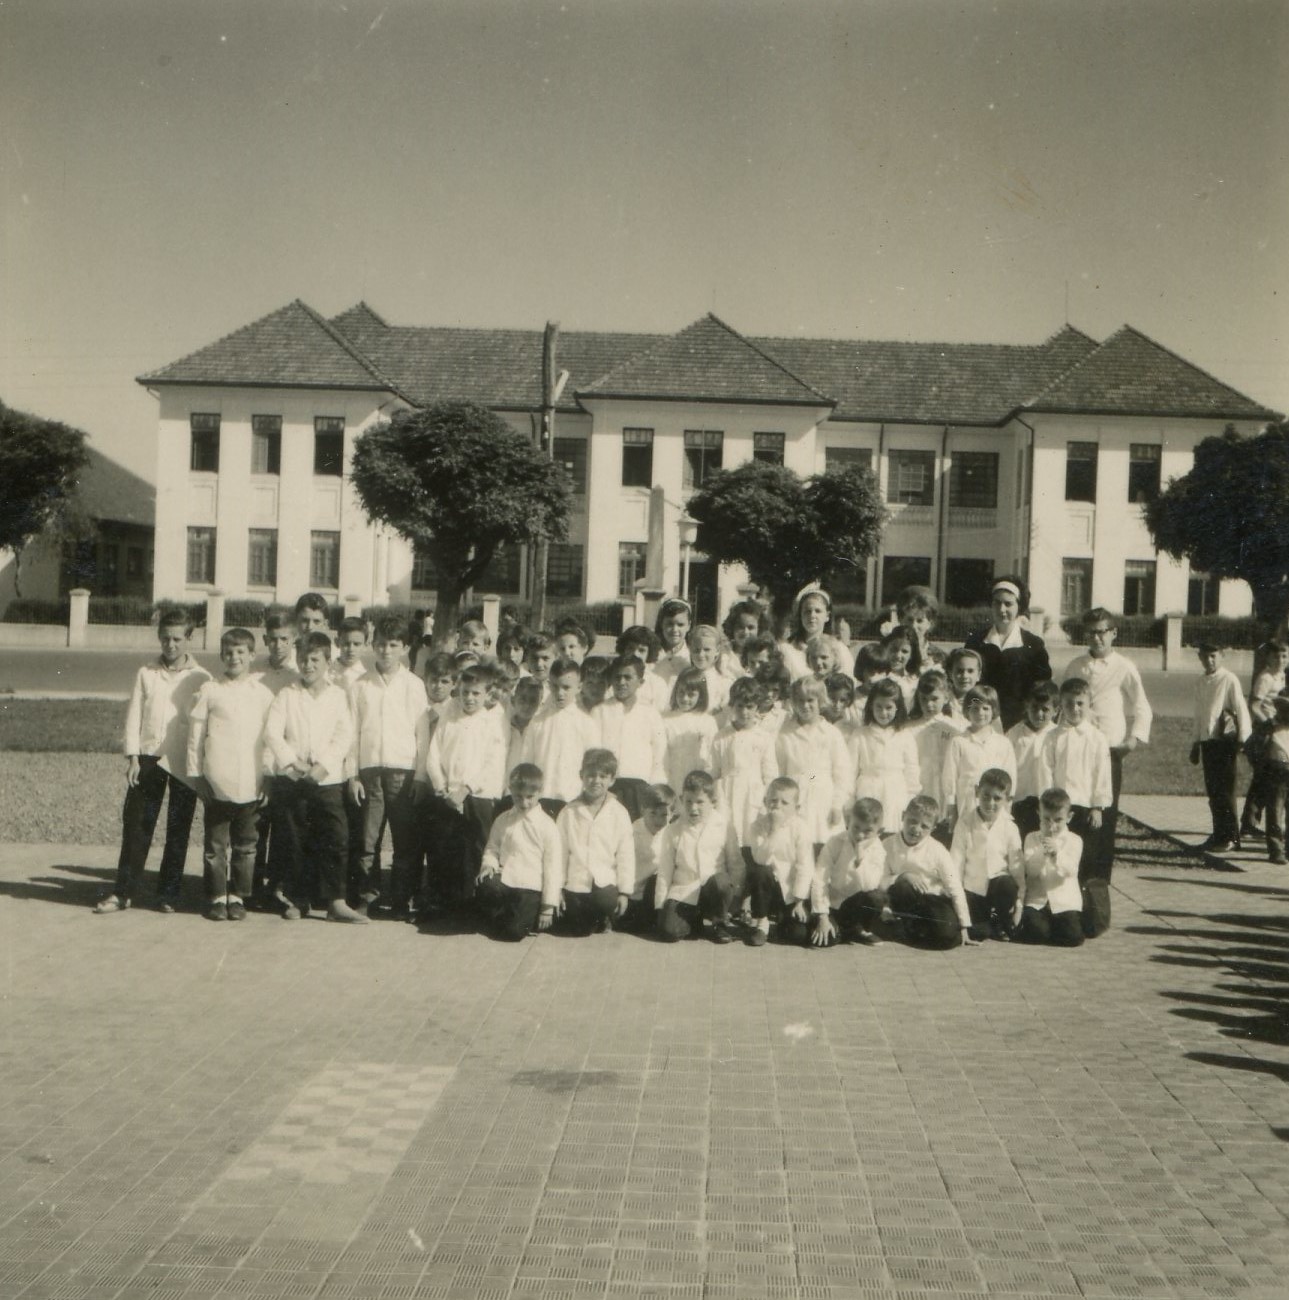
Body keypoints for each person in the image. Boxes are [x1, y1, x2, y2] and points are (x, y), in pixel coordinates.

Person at [94, 610, 210, 915]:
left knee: (178, 827)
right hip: (148, 756)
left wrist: (199, 766)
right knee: (137, 825)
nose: (170, 645)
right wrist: (133, 757)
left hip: (183, 760)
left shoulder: (201, 677)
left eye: (177, 639)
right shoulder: (146, 673)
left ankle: (168, 894)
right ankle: (123, 892)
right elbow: (135, 715)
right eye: (165, 638)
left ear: (189, 638)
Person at [265, 631, 363, 923]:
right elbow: (272, 733)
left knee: (336, 837)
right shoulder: (287, 694)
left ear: (327, 662)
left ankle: (336, 901)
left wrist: (324, 765)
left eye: (314, 660)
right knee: (296, 840)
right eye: (303, 660)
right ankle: (298, 898)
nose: (308, 666)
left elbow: (344, 735)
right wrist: (292, 762)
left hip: (327, 780)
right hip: (293, 780)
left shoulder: (338, 696)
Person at [186, 628, 275, 922]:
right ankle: (216, 896)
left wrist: (268, 778)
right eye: (228, 652)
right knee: (215, 846)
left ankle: (238, 895)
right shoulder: (211, 691)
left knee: (246, 846)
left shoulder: (262, 694)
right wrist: (197, 775)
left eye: (240, 652)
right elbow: (196, 736)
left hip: (251, 782)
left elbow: (270, 739)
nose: (234, 657)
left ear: (252, 655)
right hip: (217, 782)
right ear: (221, 656)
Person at [347, 616, 430, 919]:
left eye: (393, 644)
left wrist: (420, 776)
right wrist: (353, 774)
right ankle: (367, 897)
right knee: (368, 840)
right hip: (369, 771)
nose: (386, 650)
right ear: (373, 645)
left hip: (403, 772)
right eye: (381, 644)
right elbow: (352, 732)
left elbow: (422, 734)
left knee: (404, 841)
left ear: (405, 648)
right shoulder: (360, 684)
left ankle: (400, 900)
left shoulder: (414, 685)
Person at [1067, 608, 1152, 876]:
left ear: (1113, 633)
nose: (1097, 638)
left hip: (1109, 750)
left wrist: (1133, 739)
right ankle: (1076, 877)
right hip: (1078, 749)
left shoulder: (1123, 667)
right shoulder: (1076, 666)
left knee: (1105, 814)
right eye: (1091, 633)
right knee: (1078, 810)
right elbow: (1063, 705)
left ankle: (1099, 880)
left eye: (1102, 632)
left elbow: (1142, 706)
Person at [424, 664, 507, 914]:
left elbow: (492, 762)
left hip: (477, 796)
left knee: (475, 848)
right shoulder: (449, 717)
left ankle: (476, 905)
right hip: (447, 794)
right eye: (465, 692)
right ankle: (443, 903)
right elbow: (434, 753)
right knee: (444, 846)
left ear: (487, 694)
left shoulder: (491, 723)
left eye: (476, 693)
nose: (469, 698)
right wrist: (441, 786)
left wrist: (466, 788)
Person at [1042, 678, 1113, 936]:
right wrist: (1048, 805)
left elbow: (1101, 774)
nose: (1075, 708)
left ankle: (1088, 917)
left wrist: (1098, 807)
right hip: (1059, 812)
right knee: (1058, 859)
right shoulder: (1052, 737)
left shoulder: (1096, 738)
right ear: (1060, 705)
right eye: (1069, 703)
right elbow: (1046, 771)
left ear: (1089, 704)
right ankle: (1059, 914)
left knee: (1085, 862)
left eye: (1080, 703)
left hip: (1085, 809)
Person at [475, 763, 563, 942]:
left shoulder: (547, 826)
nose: (524, 803)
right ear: (510, 791)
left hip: (531, 887)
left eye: (530, 797)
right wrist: (489, 865)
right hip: (506, 879)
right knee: (486, 884)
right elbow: (492, 848)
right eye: (518, 796)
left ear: (540, 792)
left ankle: (526, 915)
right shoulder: (503, 819)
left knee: (513, 933)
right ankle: (509, 913)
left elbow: (553, 867)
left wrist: (547, 906)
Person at [654, 770, 744, 943]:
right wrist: (660, 905)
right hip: (685, 891)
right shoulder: (673, 829)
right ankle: (694, 921)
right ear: (681, 799)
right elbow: (665, 869)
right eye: (688, 801)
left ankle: (719, 923)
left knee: (721, 882)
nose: (693, 808)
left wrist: (734, 901)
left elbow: (736, 865)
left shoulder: (724, 826)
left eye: (700, 802)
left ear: (713, 802)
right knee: (668, 931)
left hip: (714, 891)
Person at [555, 749, 635, 936]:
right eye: (591, 775)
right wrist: (557, 889)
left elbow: (626, 855)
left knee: (604, 902)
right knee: (579, 931)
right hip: (576, 883)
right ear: (581, 776)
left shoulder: (619, 812)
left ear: (612, 780)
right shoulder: (568, 812)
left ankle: (605, 916)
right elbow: (559, 854)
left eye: (603, 776)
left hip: (604, 883)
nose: (596, 781)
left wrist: (624, 893)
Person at [885, 795, 977, 950]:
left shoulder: (937, 850)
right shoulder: (888, 845)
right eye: (912, 821)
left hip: (932, 900)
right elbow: (879, 880)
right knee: (903, 887)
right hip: (903, 897)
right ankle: (909, 927)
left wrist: (964, 926)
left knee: (947, 937)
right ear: (903, 816)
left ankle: (918, 931)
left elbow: (954, 886)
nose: (916, 829)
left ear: (933, 829)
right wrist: (903, 876)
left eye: (924, 826)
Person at [963, 575, 1052, 730]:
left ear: (1019, 606)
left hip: (1020, 724)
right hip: (982, 720)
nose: (1001, 609)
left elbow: (1042, 687)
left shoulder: (1033, 644)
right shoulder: (976, 642)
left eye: (1008, 604)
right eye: (997, 603)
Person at [775, 676, 853, 851]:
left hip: (824, 800)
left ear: (820, 701)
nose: (805, 706)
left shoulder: (831, 733)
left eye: (810, 700)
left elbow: (843, 774)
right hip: (795, 800)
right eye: (800, 701)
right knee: (797, 847)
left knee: (826, 849)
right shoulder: (785, 734)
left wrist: (837, 805)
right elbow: (778, 773)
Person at [1189, 642, 1252, 853]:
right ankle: (1218, 834)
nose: (1209, 660)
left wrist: (1242, 740)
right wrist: (1195, 743)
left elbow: (1241, 709)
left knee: (1226, 790)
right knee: (1213, 791)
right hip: (1208, 742)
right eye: (1205, 656)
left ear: (1222, 656)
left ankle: (1232, 837)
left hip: (1225, 742)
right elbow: (1199, 714)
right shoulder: (1200, 682)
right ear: (1199, 657)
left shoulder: (1229, 679)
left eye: (1213, 656)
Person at [951, 768, 1024, 942]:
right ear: (977, 791)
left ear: (1008, 800)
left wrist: (1019, 904)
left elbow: (1018, 870)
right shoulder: (965, 823)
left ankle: (1001, 917)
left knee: (1007, 884)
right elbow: (956, 864)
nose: (990, 803)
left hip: (999, 889)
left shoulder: (1010, 827)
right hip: (973, 890)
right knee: (979, 933)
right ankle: (990, 923)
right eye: (986, 796)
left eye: (997, 798)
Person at [740, 777, 814, 946]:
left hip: (789, 891)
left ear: (796, 808)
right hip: (766, 889)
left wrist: (799, 902)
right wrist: (773, 830)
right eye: (773, 800)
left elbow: (805, 866)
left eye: (784, 802)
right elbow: (760, 859)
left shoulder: (801, 828)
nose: (777, 806)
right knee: (761, 870)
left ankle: (783, 921)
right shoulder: (757, 826)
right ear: (765, 802)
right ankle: (762, 922)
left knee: (798, 935)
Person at [521, 657, 599, 815]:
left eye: (566, 687)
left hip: (573, 799)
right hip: (540, 798)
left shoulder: (587, 723)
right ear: (549, 685)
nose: (560, 693)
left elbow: (592, 766)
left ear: (579, 687)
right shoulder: (537, 721)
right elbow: (526, 761)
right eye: (555, 686)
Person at [809, 797, 890, 947]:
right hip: (833, 904)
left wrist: (860, 860)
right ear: (848, 821)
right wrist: (823, 916)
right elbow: (820, 878)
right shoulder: (835, 842)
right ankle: (844, 930)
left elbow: (870, 885)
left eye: (868, 831)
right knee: (829, 940)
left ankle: (859, 928)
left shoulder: (878, 849)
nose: (860, 835)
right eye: (856, 827)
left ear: (879, 831)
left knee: (876, 897)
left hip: (857, 905)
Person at [594, 655, 667, 819]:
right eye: (617, 677)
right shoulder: (600, 711)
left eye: (627, 677)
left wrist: (654, 785)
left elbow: (659, 752)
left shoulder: (650, 713)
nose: (621, 682)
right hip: (608, 785)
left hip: (639, 787)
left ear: (640, 682)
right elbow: (593, 750)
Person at [846, 678, 920, 835]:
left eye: (888, 707)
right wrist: (849, 802)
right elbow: (849, 772)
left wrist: (910, 799)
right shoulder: (860, 734)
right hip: (867, 791)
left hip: (895, 793)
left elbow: (912, 771)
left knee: (891, 834)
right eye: (878, 707)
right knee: (867, 833)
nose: (883, 713)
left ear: (897, 708)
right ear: (871, 706)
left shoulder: (905, 735)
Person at [710, 677, 778, 843]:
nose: (744, 712)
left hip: (752, 795)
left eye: (749, 707)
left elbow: (770, 775)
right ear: (733, 705)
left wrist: (767, 800)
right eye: (740, 706)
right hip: (726, 794)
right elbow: (714, 772)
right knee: (728, 837)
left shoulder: (763, 737)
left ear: (757, 707)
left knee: (751, 836)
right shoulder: (721, 736)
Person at [941, 685, 1016, 832]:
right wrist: (951, 806)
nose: (980, 713)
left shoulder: (1003, 742)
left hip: (994, 800)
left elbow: (1010, 774)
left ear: (994, 711)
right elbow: (950, 775)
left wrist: (1008, 802)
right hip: (967, 800)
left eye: (985, 708)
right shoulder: (959, 741)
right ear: (967, 711)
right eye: (975, 708)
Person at [1016, 787, 1084, 947]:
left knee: (1073, 937)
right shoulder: (1031, 838)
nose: (1051, 825)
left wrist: (1056, 854)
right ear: (1038, 814)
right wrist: (1043, 849)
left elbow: (1071, 870)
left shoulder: (1075, 840)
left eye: (1058, 820)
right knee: (1037, 933)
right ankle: (1045, 927)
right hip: (1037, 900)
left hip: (1064, 901)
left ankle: (1057, 926)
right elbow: (1030, 871)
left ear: (1069, 817)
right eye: (1046, 819)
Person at [1240, 641, 1289, 841]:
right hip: (1266, 733)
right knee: (1263, 777)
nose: (1280, 660)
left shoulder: (1282, 677)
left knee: (1266, 778)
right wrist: (1268, 723)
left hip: (1279, 732)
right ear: (1268, 657)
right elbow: (1254, 705)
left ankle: (1251, 822)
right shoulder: (1266, 678)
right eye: (1276, 656)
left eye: (1284, 656)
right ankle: (1249, 823)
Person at [903, 668, 959, 837]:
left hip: (944, 787)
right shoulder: (909, 728)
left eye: (934, 699)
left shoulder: (954, 727)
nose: (929, 704)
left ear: (946, 697)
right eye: (924, 699)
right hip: (921, 785)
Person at [1007, 681, 1059, 841]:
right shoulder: (1014, 734)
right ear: (1026, 706)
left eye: (1045, 709)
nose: (1039, 713)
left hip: (1048, 803)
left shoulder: (1057, 734)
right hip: (1020, 800)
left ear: (1056, 711)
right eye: (1034, 708)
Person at [621, 783, 674, 933]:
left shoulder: (671, 832)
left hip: (655, 892)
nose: (658, 820)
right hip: (631, 893)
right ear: (643, 809)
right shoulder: (632, 832)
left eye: (664, 815)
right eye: (652, 814)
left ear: (672, 813)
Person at [662, 667, 717, 794]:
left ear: (701, 696)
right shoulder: (666, 720)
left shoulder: (707, 721)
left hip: (697, 775)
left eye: (691, 694)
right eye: (681, 693)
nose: (685, 698)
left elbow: (711, 756)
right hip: (673, 774)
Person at [779, 585, 846, 682]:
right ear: (800, 615)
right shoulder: (786, 649)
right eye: (807, 611)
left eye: (818, 611)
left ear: (827, 616)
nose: (812, 615)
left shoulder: (839, 649)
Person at [1261, 696, 1289, 866]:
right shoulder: (1270, 727)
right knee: (1275, 810)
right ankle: (1276, 849)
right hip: (1276, 769)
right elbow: (1253, 747)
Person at [719, 600, 769, 681]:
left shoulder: (764, 656)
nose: (746, 632)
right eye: (740, 627)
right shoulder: (724, 656)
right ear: (732, 628)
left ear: (759, 629)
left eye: (751, 627)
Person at [687, 624, 730, 713]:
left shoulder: (724, 682)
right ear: (690, 650)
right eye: (696, 650)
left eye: (707, 650)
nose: (701, 655)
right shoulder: (685, 678)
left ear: (717, 651)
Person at [653, 597, 693, 688]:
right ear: (661, 624)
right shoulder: (652, 654)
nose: (675, 630)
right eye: (669, 624)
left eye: (680, 625)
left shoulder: (692, 657)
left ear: (688, 626)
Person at [878, 627, 919, 709]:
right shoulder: (879, 677)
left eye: (904, 651)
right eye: (894, 649)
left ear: (911, 655)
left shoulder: (916, 679)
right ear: (886, 648)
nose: (898, 656)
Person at [332, 616, 369, 690]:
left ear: (365, 646)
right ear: (337, 642)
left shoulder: (367, 678)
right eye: (346, 644)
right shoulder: (326, 673)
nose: (351, 649)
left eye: (356, 644)